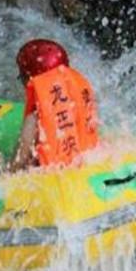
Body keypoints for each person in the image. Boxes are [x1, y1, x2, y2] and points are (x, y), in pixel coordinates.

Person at [10, 39, 99, 172]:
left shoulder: (34, 119)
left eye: (22, 77)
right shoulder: (81, 102)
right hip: (86, 173)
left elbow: (18, 164)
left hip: (51, 182)